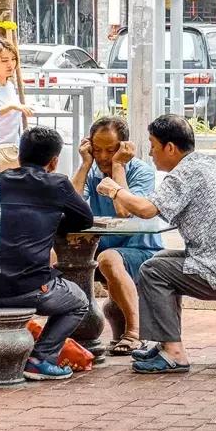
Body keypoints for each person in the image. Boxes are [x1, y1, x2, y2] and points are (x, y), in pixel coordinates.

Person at [95, 115, 216, 374]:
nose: (150, 153)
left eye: (153, 145)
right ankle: (166, 342)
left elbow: (146, 209)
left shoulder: (185, 173)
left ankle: (174, 353)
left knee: (154, 271)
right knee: (159, 262)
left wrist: (115, 190)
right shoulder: (201, 165)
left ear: (170, 148)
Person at [0, 126, 93, 381]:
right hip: (31, 289)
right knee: (80, 301)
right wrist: (53, 221)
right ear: (54, 161)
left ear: (19, 155)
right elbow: (85, 219)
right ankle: (41, 358)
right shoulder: (56, 184)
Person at [71, 116, 163, 356]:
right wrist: (84, 164)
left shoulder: (142, 171)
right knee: (57, 255)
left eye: (110, 150)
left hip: (141, 251)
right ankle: (62, 334)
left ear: (123, 147)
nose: (103, 156)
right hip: (103, 250)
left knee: (109, 258)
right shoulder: (91, 172)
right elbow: (70, 206)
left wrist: (118, 166)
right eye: (97, 149)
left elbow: (124, 211)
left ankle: (134, 333)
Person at [0, 36, 32, 171]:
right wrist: (12, 106)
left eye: (13, 59)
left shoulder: (9, 85)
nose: (10, 64)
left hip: (12, 150)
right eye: (4, 60)